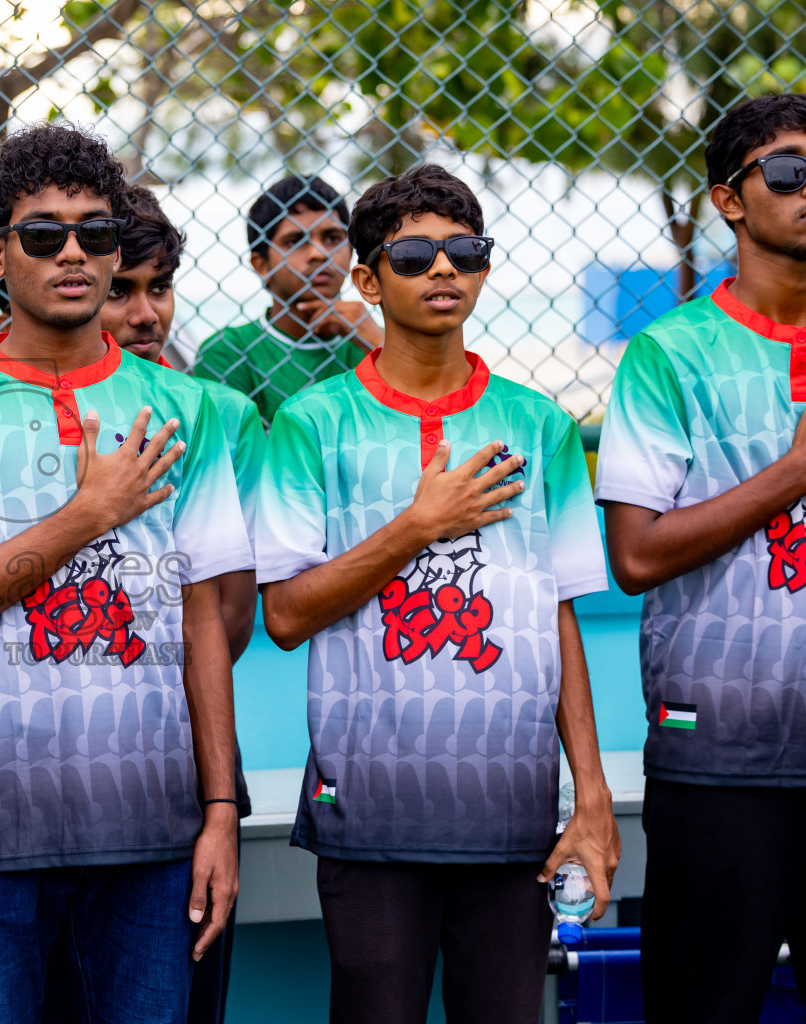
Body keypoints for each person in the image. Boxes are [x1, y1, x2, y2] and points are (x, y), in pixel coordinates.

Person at [0, 122, 249, 1024]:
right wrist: (88, 514)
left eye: (97, 232)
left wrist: (221, 810)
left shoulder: (182, 408)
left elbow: (204, 625)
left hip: (154, 837)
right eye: (45, 234)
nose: (74, 253)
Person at [257, 164, 620, 1024]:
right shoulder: (314, 423)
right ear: (368, 279)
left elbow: (557, 617)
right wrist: (416, 528)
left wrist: (592, 798)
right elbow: (285, 615)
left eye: (465, 251)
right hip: (369, 809)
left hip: (513, 814)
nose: (444, 270)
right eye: (415, 255)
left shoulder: (538, 424)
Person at [597, 93, 806, 1024]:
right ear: (729, 199)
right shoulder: (668, 355)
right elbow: (635, 557)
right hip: (722, 759)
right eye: (791, 170)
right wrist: (791, 475)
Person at [97, 184, 261, 1024]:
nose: (143, 312)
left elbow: (229, 615)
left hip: (190, 752)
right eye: (120, 288)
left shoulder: (222, 416)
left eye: (157, 287)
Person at [193, 174, 381, 424]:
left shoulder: (372, 343)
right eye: (295, 241)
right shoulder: (229, 352)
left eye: (333, 238)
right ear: (261, 265)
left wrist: (380, 344)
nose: (319, 254)